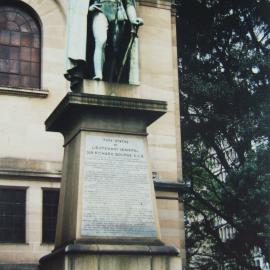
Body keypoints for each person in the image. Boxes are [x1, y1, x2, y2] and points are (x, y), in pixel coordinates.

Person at [65, 0, 143, 91]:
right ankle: (98, 74)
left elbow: (129, 3)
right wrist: (88, 9)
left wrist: (133, 18)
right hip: (100, 10)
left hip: (119, 12)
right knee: (100, 40)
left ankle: (110, 78)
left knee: (115, 49)